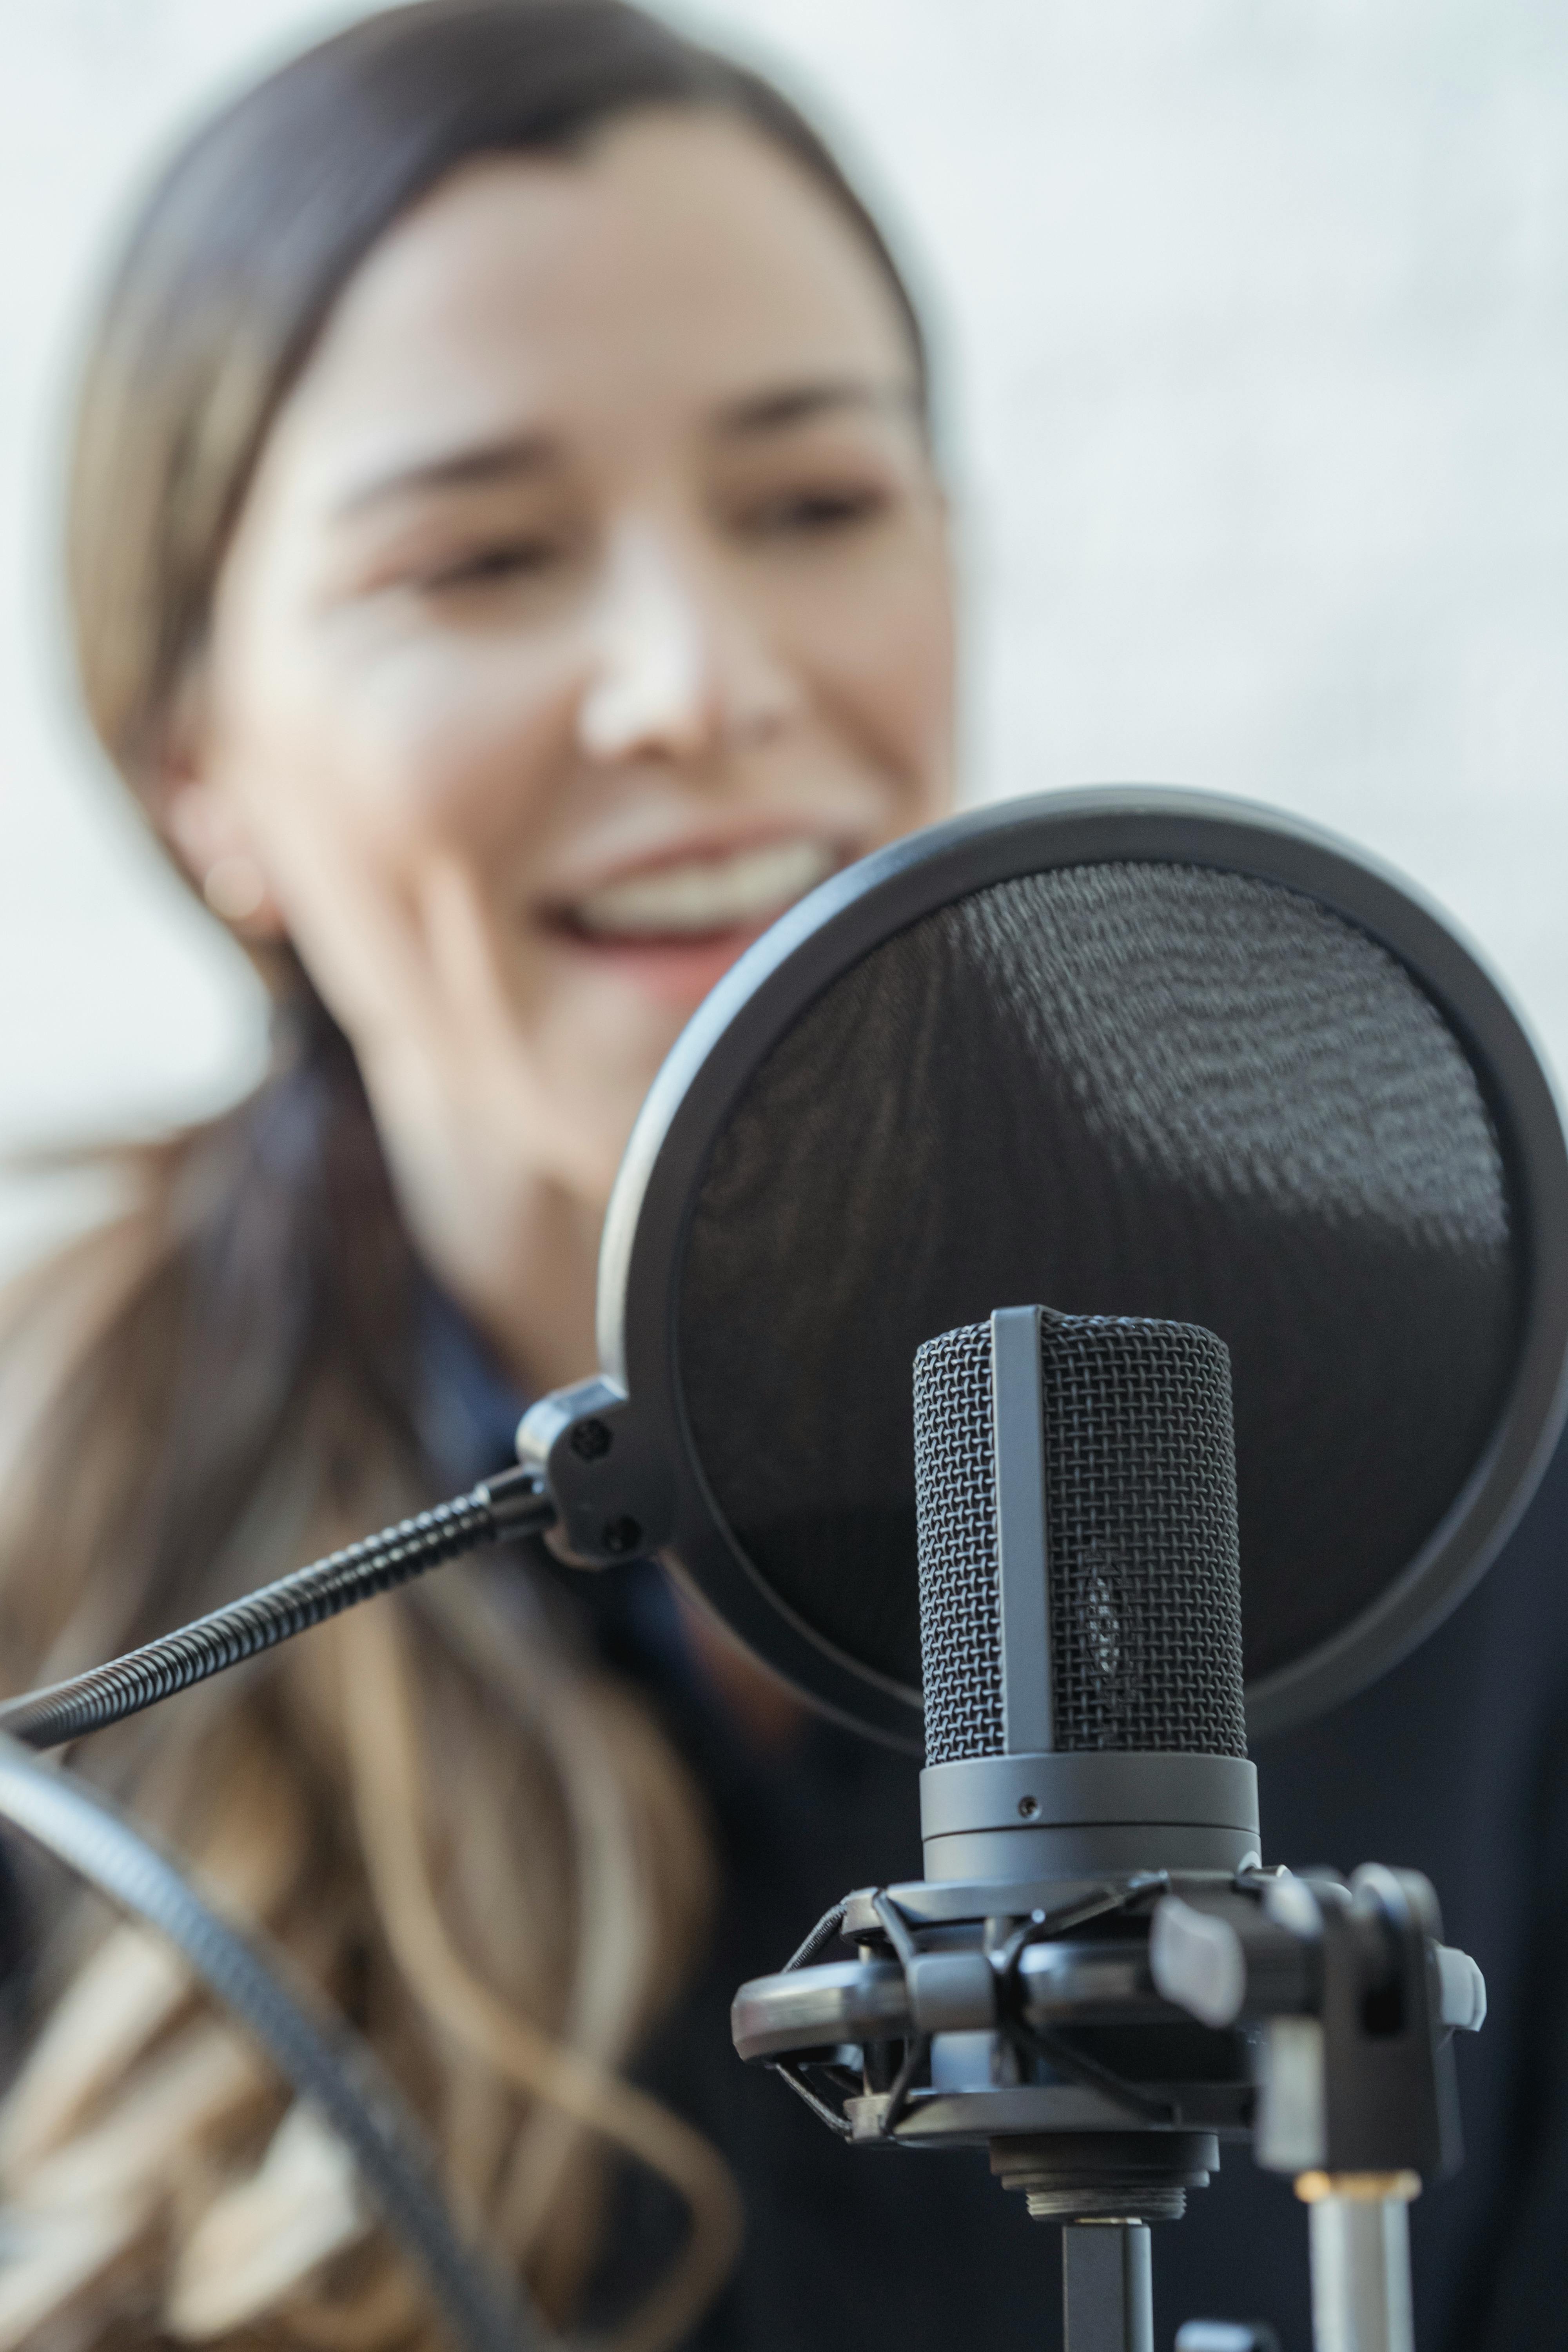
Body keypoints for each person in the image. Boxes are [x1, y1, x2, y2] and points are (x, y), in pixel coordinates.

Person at [0, 5, 1564, 2350]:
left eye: (815, 507)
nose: (695, 681)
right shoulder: (51, 1574)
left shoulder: (1456, 1443)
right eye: (483, 556)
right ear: (198, 764)